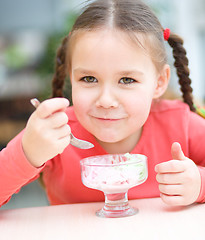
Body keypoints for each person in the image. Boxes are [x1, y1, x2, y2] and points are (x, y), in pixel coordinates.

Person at [1, 0, 205, 208]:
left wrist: (200, 184)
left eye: (127, 80)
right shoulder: (56, 133)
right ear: (71, 77)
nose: (106, 100)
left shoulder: (181, 124)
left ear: (159, 82)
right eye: (89, 79)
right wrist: (28, 153)